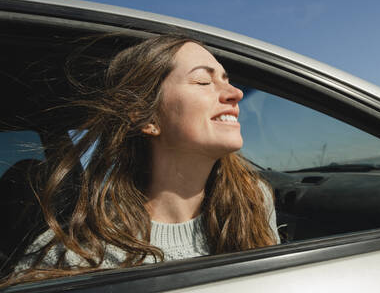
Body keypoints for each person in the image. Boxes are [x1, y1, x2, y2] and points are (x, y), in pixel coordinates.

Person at [4, 34, 280, 285]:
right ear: (146, 118)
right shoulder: (78, 255)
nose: (236, 94)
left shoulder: (253, 202)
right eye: (203, 81)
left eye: (226, 79)